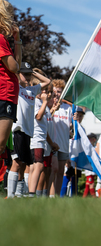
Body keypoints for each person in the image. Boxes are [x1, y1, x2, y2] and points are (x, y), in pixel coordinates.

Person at [8, 63, 50, 198]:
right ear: (18, 75)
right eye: (24, 74)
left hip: (28, 132)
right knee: (16, 162)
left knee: (22, 163)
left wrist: (32, 72)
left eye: (28, 74)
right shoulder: (17, 88)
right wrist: (18, 72)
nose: (26, 77)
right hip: (17, 129)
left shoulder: (32, 90)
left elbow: (47, 81)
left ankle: (19, 194)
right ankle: (11, 194)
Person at [28, 73, 58, 197]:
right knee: (38, 166)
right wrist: (45, 102)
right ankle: (31, 193)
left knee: (38, 168)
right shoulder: (37, 102)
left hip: (41, 139)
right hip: (37, 138)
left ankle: (32, 194)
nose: (47, 94)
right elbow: (38, 117)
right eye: (44, 90)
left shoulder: (41, 103)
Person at [0, 0, 22, 165]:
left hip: (7, 95)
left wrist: (17, 40)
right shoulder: (0, 40)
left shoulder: (4, 40)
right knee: (0, 145)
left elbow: (18, 65)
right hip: (4, 94)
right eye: (10, 15)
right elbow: (14, 67)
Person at [49, 79, 73, 196]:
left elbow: (70, 127)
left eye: (59, 91)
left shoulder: (68, 108)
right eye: (55, 91)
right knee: (53, 169)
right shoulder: (49, 105)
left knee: (60, 171)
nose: (57, 94)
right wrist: (53, 109)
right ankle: (50, 194)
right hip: (52, 143)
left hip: (64, 144)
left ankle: (57, 196)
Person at [83, 133, 98, 198]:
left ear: (94, 140)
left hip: (93, 168)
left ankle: (84, 198)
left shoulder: (95, 148)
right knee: (90, 183)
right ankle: (93, 197)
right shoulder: (87, 148)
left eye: (90, 139)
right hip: (89, 169)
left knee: (89, 183)